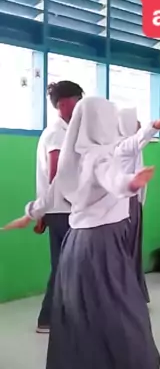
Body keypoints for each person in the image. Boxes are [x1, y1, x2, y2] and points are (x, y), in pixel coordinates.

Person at [4, 97, 160, 369]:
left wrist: (29, 214)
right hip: (102, 243)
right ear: (102, 122)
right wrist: (131, 183)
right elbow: (112, 179)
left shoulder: (74, 156)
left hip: (78, 243)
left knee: (83, 311)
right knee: (127, 309)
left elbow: (51, 195)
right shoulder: (99, 157)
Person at [34, 81, 84, 333]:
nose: (80, 107)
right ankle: (48, 318)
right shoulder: (57, 133)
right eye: (77, 101)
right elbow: (56, 173)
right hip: (62, 209)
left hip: (58, 208)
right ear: (63, 104)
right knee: (67, 264)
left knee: (64, 263)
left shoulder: (63, 130)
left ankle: (55, 317)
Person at [117, 107, 150, 303]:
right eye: (135, 121)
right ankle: (127, 294)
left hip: (133, 203)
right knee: (126, 249)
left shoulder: (133, 147)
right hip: (126, 203)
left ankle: (134, 293)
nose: (138, 124)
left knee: (133, 249)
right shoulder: (123, 146)